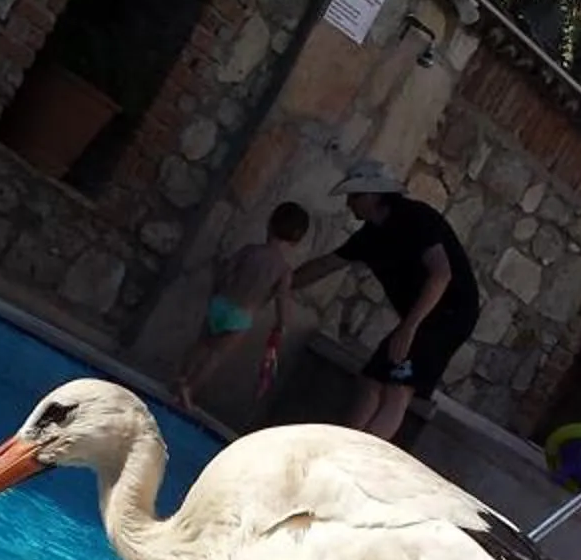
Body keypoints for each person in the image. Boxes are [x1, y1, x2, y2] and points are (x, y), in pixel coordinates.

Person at [291, 158, 482, 442]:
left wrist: (409, 327)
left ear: (373, 194)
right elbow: (325, 265)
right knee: (371, 381)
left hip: (451, 312)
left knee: (398, 387)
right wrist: (282, 283)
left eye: (354, 196)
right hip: (421, 316)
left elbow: (441, 274)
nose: (349, 204)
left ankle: (360, 458)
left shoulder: (416, 218)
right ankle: (342, 447)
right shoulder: (369, 238)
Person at [176, 202, 309, 414]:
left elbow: (226, 271)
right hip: (241, 317)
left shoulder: (250, 251)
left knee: (201, 345)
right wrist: (281, 324)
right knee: (215, 356)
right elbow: (282, 301)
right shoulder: (283, 270)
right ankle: (190, 390)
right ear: (297, 239)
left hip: (221, 304)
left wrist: (217, 290)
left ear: (270, 224)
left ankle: (180, 379)